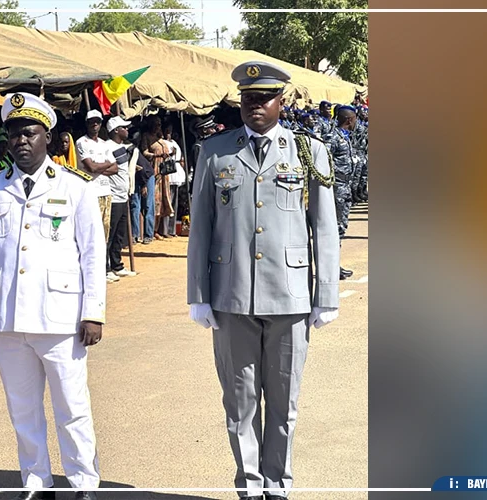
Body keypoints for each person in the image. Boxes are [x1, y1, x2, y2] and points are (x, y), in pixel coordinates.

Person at [187, 61, 340, 500]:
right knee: (239, 402)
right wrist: (198, 293)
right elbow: (201, 225)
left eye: (264, 98)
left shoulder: (309, 151)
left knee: (284, 402)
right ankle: (250, 487)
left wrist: (325, 293)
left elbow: (324, 227)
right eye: (248, 99)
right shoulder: (215, 151)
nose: (255, 106)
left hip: (290, 296)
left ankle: (278, 486)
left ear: (282, 102)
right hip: (231, 294)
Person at [0, 93, 104, 500]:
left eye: (30, 132)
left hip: (61, 317)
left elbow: (93, 254)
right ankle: (36, 481)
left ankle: (82, 483)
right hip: (8, 318)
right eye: (14, 134)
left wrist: (93, 312)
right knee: (23, 409)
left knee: (72, 408)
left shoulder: (75, 188)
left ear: (48, 137)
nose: (21, 140)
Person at [324, 106, 359, 280]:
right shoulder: (333, 138)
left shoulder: (345, 137)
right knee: (334, 228)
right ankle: (331, 267)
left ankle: (335, 265)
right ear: (349, 120)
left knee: (341, 227)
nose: (356, 122)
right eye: (355, 119)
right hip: (336, 187)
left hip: (345, 188)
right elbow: (323, 160)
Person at [75, 110, 118, 249]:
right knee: (91, 230)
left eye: (97, 121)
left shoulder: (104, 144)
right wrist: (105, 164)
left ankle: (104, 264)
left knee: (105, 231)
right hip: (91, 191)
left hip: (106, 191)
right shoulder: (82, 142)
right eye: (92, 121)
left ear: (101, 124)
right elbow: (91, 167)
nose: (95, 124)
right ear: (87, 123)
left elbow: (115, 168)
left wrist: (97, 167)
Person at [104, 116, 137, 280]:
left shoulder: (123, 147)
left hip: (123, 196)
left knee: (120, 234)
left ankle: (117, 265)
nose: (127, 130)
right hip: (113, 196)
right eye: (124, 127)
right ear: (116, 130)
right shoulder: (107, 148)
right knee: (109, 234)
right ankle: (106, 268)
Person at [162, 125, 186, 238]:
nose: (168, 133)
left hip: (177, 172)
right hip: (169, 170)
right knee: (168, 200)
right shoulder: (162, 142)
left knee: (175, 202)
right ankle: (164, 229)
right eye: (167, 131)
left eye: (170, 131)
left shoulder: (175, 142)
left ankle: (172, 229)